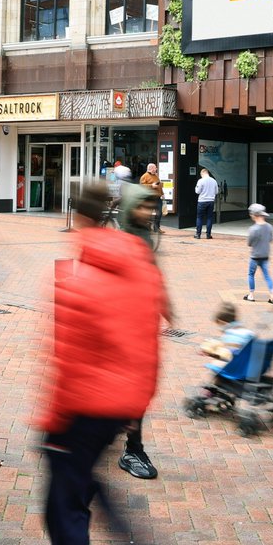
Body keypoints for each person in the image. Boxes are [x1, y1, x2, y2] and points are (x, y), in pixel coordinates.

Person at [36, 182, 166, 545]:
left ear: (77, 218)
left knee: (64, 508)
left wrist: (52, 423)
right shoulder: (141, 263)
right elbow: (149, 340)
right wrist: (136, 406)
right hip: (121, 405)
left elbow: (66, 358)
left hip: (82, 410)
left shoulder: (72, 277)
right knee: (78, 482)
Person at [114, 183, 170, 481]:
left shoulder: (145, 238)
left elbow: (151, 277)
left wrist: (163, 303)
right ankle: (132, 449)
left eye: (151, 207)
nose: (148, 212)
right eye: (143, 206)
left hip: (139, 329)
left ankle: (130, 445)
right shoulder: (120, 241)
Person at [244, 203, 273, 304]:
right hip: (265, 255)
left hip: (255, 256)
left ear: (254, 215)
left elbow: (249, 243)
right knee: (267, 275)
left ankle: (251, 295)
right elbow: (271, 240)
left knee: (251, 274)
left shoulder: (253, 229)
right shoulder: (269, 227)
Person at [138, 163, 163, 232]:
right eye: (155, 168)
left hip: (157, 197)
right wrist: (151, 186)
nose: (156, 169)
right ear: (151, 168)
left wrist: (162, 194)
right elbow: (141, 186)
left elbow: (159, 185)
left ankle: (157, 227)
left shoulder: (156, 175)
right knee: (148, 214)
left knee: (159, 213)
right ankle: (147, 227)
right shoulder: (144, 176)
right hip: (149, 198)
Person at [194, 167, 217, 239]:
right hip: (211, 201)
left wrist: (196, 188)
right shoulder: (214, 181)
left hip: (202, 201)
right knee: (209, 218)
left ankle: (198, 234)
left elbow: (197, 191)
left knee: (199, 217)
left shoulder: (201, 181)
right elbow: (216, 192)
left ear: (202, 173)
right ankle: (208, 234)